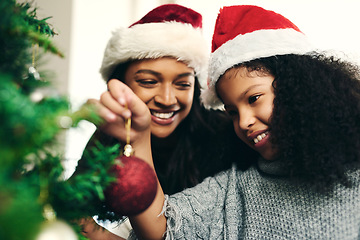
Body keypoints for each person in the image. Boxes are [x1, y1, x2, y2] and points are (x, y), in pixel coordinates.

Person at [96, 5, 360, 240]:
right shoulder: (233, 187)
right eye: (232, 111)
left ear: (300, 87)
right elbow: (162, 228)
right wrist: (139, 138)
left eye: (254, 98)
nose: (243, 121)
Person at [76, 4, 254, 240]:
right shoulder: (111, 134)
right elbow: (71, 205)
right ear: (121, 83)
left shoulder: (225, 135)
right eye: (149, 82)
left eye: (183, 84)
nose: (167, 99)